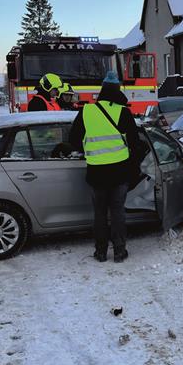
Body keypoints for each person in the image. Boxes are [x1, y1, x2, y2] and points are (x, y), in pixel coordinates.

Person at [69, 71, 139, 263]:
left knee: (99, 213)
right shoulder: (123, 112)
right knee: (117, 212)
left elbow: (73, 140)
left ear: (102, 90)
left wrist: (87, 148)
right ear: (117, 90)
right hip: (119, 172)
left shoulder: (86, 111)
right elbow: (135, 143)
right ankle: (119, 251)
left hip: (96, 173)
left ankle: (100, 252)